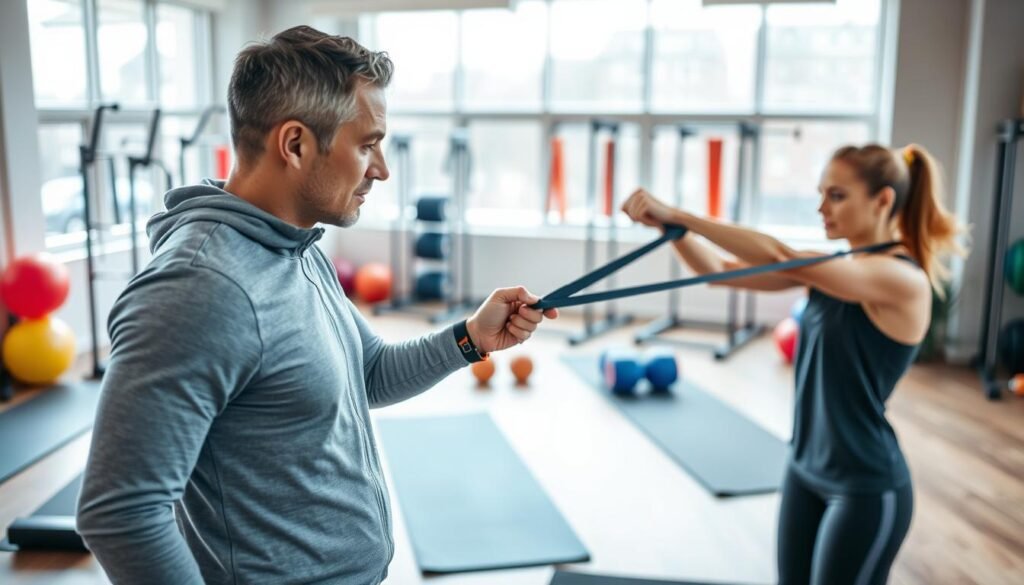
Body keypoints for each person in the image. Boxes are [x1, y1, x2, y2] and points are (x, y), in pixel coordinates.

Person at [76, 26, 557, 585]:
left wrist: (471, 337)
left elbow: (367, 373)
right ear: (296, 144)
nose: (381, 169)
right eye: (367, 144)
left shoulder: (294, 245)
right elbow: (120, 513)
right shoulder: (198, 290)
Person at [621, 143, 962, 585]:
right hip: (804, 469)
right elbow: (719, 273)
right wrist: (674, 232)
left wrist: (682, 215)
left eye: (837, 195)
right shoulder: (834, 270)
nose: (822, 207)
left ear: (882, 201)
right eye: (821, 193)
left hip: (865, 488)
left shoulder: (901, 280)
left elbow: (783, 257)